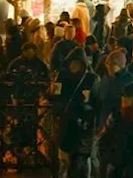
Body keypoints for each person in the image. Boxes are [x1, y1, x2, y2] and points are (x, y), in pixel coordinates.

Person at [53, 47, 98, 177]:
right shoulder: (62, 76)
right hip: (66, 122)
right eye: (72, 63)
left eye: (77, 63)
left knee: (82, 157)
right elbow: (55, 95)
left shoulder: (91, 78)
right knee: (65, 157)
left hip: (83, 123)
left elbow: (96, 100)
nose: (74, 66)